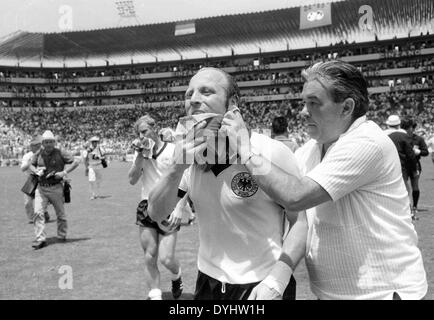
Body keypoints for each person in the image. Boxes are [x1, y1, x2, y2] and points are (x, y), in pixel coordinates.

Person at [218, 60, 427, 299]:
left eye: (314, 103)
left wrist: (244, 148)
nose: (303, 111)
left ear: (347, 107)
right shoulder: (310, 150)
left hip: (382, 293)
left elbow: (294, 197)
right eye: (304, 102)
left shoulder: (367, 142)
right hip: (333, 293)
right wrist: (279, 276)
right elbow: (300, 220)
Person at [148, 67, 299, 300]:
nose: (194, 99)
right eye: (189, 94)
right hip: (208, 283)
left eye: (206, 92)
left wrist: (278, 278)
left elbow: (300, 221)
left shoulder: (270, 151)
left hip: (263, 284)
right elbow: (156, 212)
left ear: (232, 103)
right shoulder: (191, 158)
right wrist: (176, 167)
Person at [128, 115, 184, 300]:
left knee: (166, 258)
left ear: (155, 128)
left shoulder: (172, 149)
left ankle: (177, 276)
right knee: (150, 256)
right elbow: (132, 180)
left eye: (144, 131)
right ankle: (155, 295)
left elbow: (186, 180)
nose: (142, 136)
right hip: (146, 204)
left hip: (169, 205)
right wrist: (140, 158)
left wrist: (179, 207)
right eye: (139, 133)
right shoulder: (141, 153)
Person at [29, 130, 79, 250]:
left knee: (61, 214)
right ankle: (40, 239)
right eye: (46, 142)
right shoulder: (38, 153)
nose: (48, 144)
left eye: (51, 142)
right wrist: (36, 171)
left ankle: (62, 236)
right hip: (41, 187)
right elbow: (31, 164)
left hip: (56, 187)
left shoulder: (60, 152)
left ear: (54, 142)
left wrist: (64, 172)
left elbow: (76, 161)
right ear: (43, 143)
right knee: (37, 213)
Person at [384, 115, 418, 219]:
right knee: (405, 191)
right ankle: (407, 213)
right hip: (401, 167)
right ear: (399, 125)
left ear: (388, 124)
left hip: (385, 168)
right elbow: (410, 155)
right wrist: (414, 170)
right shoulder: (404, 136)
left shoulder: (382, 135)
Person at [401, 117, 429, 216]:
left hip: (415, 165)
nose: (412, 129)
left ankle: (415, 206)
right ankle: (405, 206)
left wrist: (419, 152)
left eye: (413, 127)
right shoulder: (401, 137)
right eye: (411, 127)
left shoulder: (418, 139)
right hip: (403, 165)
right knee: (403, 187)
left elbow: (426, 152)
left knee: (415, 186)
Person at [20, 135, 50, 224]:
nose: (37, 147)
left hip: (42, 179)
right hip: (31, 179)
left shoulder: (44, 154)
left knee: (42, 200)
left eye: (38, 145)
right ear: (31, 146)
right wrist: (30, 162)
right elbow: (22, 168)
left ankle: (44, 212)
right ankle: (31, 217)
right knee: (27, 202)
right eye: (34, 145)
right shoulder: (27, 156)